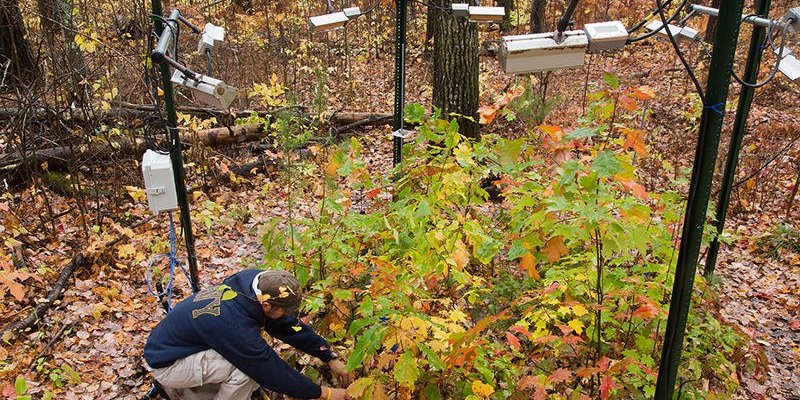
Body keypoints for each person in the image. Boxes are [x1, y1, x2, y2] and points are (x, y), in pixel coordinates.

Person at [144, 268, 351, 400]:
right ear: (267, 305)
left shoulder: (255, 283)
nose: (288, 316)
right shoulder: (235, 325)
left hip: (180, 346)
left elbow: (287, 326)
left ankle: (190, 393)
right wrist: (324, 393)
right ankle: (180, 388)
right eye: (284, 311)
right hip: (168, 363)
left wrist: (327, 355)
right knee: (246, 372)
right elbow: (269, 369)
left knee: (246, 372)